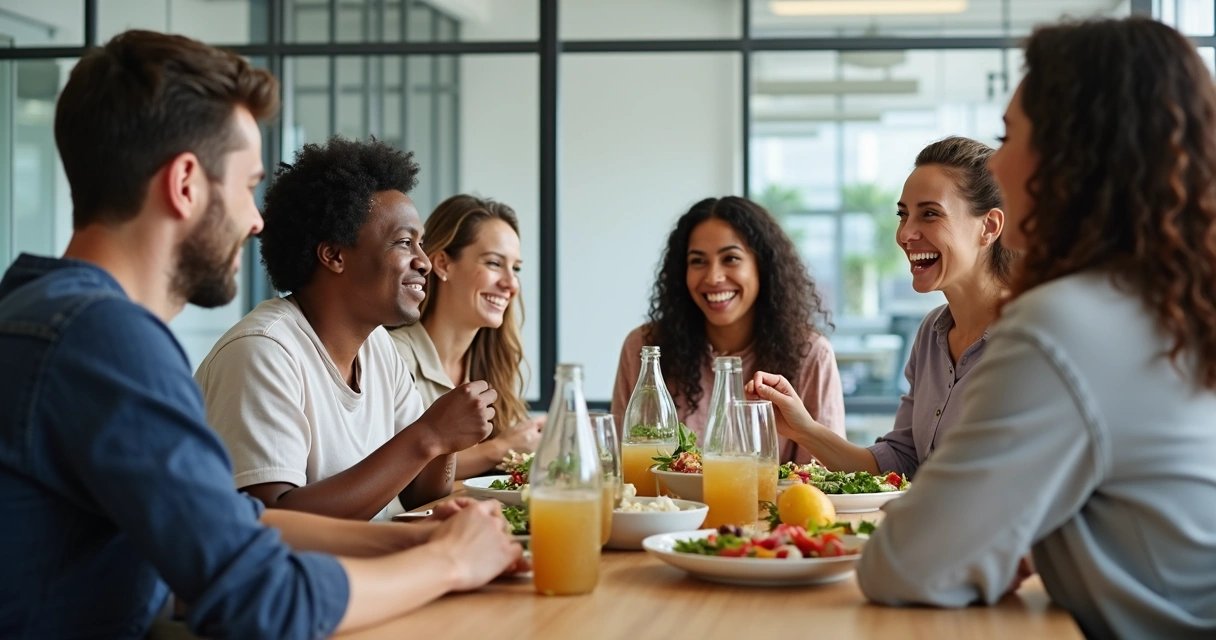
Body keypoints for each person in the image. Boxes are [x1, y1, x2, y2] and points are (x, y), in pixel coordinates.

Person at [0, 30, 520, 639]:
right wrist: (448, 562)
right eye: (247, 186)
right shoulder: (104, 341)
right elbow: (258, 599)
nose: (255, 222)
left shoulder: (42, 309)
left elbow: (240, 523)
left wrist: (415, 539)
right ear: (185, 183)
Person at [855, 17, 1216, 638]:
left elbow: (904, 567)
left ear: (1072, 157)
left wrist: (986, 546)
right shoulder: (1165, 303)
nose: (997, 162)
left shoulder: (1060, 326)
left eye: (1008, 136)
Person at [195, 137, 498, 519]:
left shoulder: (378, 347)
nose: (423, 262)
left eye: (420, 244)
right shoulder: (263, 351)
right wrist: (429, 434)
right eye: (404, 242)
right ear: (334, 255)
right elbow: (277, 520)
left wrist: (446, 441)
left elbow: (421, 492)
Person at [749, 137, 1013, 477]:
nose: (906, 234)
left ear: (989, 227)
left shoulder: (1028, 337)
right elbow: (901, 461)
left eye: (930, 214)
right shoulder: (931, 334)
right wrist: (803, 429)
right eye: (903, 215)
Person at [612, 196, 845, 463]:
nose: (713, 277)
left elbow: (822, 476)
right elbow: (620, 466)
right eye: (698, 261)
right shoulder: (645, 348)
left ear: (763, 267)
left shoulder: (811, 354)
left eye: (731, 258)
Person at [389, 195, 545, 479]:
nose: (511, 283)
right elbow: (396, 470)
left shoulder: (494, 365)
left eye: (516, 268)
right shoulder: (392, 356)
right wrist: (499, 448)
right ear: (443, 264)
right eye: (494, 263)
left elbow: (519, 457)